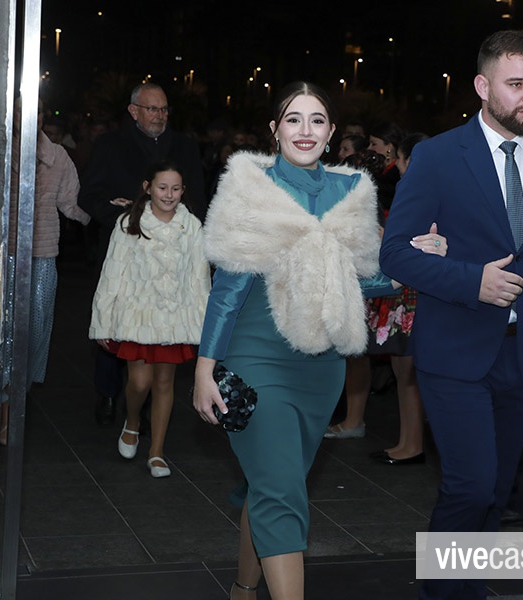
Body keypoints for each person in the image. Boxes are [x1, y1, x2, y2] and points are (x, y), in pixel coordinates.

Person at [192, 81, 444, 600]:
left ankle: (242, 590)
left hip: (321, 367)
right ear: (275, 129)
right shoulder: (249, 190)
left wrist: (413, 261)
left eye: (317, 120)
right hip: (254, 360)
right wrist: (203, 368)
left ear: (331, 133)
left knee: (273, 484)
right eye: (293, 119)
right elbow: (227, 291)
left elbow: (358, 279)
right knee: (282, 492)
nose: (304, 130)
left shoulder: (351, 192)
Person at [379, 30, 523, 600]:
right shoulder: (438, 156)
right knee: (471, 487)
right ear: (483, 86)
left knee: (495, 494)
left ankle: (468, 589)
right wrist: (470, 281)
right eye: (516, 84)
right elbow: (395, 253)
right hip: (455, 351)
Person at [77, 82, 205, 426]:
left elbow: (198, 198)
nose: (159, 116)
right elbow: (88, 196)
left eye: (164, 109)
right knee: (114, 321)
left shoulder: (185, 145)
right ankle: (107, 393)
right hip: (125, 250)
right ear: (134, 111)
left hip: (171, 256)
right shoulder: (110, 144)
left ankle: (145, 411)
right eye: (152, 109)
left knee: (162, 341)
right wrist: (124, 216)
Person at [89, 160, 209, 478]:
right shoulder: (129, 223)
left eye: (175, 188)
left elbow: (199, 278)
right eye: (162, 187)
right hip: (137, 315)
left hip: (173, 316)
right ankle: (132, 421)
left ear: (183, 191)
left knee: (164, 383)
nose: (169, 194)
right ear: (147, 188)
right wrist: (102, 319)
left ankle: (156, 452)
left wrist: (203, 323)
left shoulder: (191, 226)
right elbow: (112, 273)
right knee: (140, 382)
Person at [326, 134, 435, 468]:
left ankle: (412, 443)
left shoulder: (419, 192)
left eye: (399, 159)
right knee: (404, 369)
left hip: (409, 287)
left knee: (407, 369)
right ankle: (408, 441)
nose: (396, 166)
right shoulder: (419, 190)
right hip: (406, 286)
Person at [0, 97, 90, 445]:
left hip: (42, 253)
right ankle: (1, 407)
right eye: (21, 110)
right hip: (2, 254)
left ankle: (14, 402)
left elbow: (71, 203)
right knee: (1, 330)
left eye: (37, 111)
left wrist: (112, 214)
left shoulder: (57, 156)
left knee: (34, 332)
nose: (30, 117)